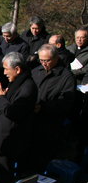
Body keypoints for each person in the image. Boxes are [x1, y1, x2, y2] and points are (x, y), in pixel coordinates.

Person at [0, 52, 38, 183]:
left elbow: (12, 112)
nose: (4, 73)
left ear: (17, 69)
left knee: (5, 175)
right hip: (3, 136)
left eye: (6, 69)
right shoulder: (18, 83)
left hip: (11, 138)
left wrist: (1, 97)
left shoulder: (28, 87)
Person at [29, 44, 75, 173]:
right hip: (32, 121)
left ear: (56, 58)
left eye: (47, 60)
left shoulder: (66, 77)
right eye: (41, 60)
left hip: (49, 125)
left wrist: (43, 108)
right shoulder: (36, 71)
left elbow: (66, 102)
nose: (44, 63)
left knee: (42, 157)